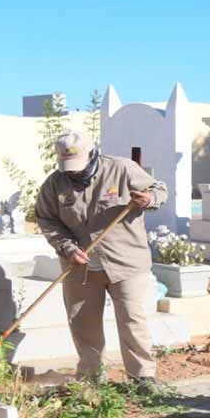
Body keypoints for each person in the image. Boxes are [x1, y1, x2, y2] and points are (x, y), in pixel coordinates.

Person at [35, 131, 167, 385]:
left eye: (77, 166)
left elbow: (158, 189)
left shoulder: (122, 169)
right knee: (83, 322)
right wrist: (67, 247)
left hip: (125, 261)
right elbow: (47, 220)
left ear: (92, 153)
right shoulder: (55, 184)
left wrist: (149, 199)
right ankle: (91, 377)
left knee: (131, 318)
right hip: (79, 266)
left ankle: (142, 377)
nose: (73, 172)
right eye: (67, 167)